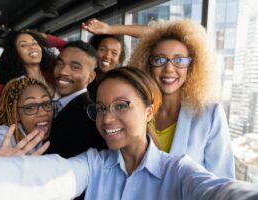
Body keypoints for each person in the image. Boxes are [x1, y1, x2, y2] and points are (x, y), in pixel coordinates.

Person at [0, 67, 258, 200]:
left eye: (121, 105)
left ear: (149, 111)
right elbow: (51, 177)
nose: (107, 118)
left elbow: (220, 191)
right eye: (100, 108)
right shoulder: (93, 164)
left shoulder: (178, 172)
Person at [84, 18, 235, 178]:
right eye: (159, 60)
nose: (169, 68)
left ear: (191, 66)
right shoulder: (135, 108)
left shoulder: (209, 114)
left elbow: (223, 179)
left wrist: (109, 28)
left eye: (179, 60)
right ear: (148, 65)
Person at [0, 31, 59, 134]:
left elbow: (74, 49)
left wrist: (46, 37)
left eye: (35, 43)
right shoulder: (14, 86)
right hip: (34, 143)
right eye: (23, 45)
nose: (32, 47)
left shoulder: (53, 74)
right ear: (15, 53)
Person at [45, 40, 106, 158]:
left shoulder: (90, 119)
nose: (63, 71)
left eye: (75, 67)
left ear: (90, 77)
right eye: (60, 64)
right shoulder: (55, 104)